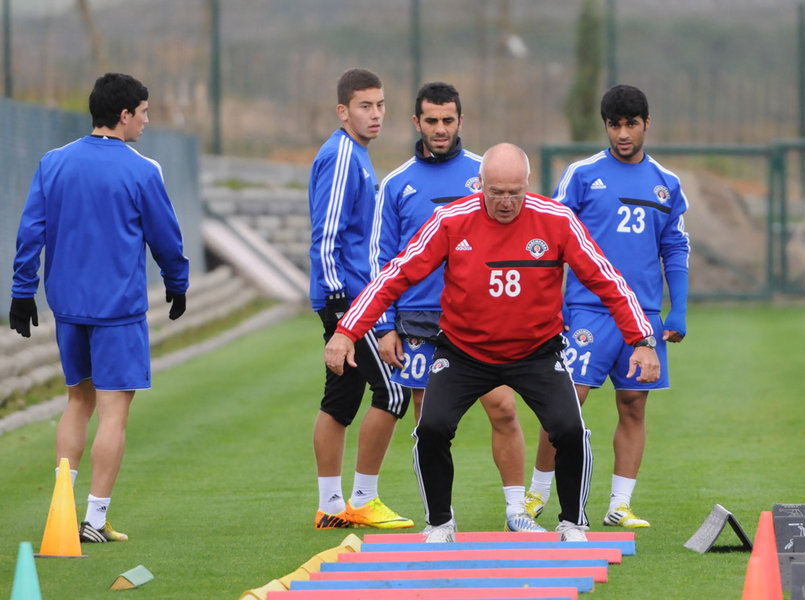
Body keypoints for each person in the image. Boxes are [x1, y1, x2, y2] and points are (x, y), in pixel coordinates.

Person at [325, 142, 660, 543]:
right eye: (495, 191)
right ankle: (440, 523)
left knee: (570, 428)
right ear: (479, 183)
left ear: (528, 183)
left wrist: (642, 339)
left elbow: (607, 280)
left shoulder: (557, 220)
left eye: (514, 192)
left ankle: (572, 523)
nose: (505, 202)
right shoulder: (450, 220)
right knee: (431, 427)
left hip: (536, 351)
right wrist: (347, 330)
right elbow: (395, 275)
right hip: (464, 351)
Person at [9, 72, 189, 543]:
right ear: (124, 114)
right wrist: (177, 283)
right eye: (144, 113)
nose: (147, 121)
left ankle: (62, 510)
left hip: (68, 308)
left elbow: (30, 232)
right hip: (119, 312)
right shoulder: (143, 170)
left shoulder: (53, 162)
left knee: (77, 401)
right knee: (113, 413)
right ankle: (93, 519)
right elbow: (166, 238)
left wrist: (22, 292)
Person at [370, 82, 536, 532]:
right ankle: (439, 519)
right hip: (420, 323)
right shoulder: (397, 184)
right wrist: (384, 326)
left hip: (482, 318)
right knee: (431, 426)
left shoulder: (488, 176)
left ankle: (517, 511)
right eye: (431, 120)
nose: (440, 128)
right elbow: (381, 261)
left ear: (461, 121)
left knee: (504, 409)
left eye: (448, 120)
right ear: (417, 122)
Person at [526, 84, 690, 529]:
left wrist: (677, 310)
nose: (622, 134)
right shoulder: (581, 175)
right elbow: (551, 241)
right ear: (606, 126)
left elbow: (674, 248)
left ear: (646, 124)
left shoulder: (666, 184)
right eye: (614, 125)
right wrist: (551, 307)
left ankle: (620, 505)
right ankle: (536, 494)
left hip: (644, 316)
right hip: (589, 310)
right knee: (566, 402)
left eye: (631, 124)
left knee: (633, 404)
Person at [308, 67, 412, 530]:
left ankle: (331, 508)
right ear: (343, 111)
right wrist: (339, 306)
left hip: (353, 296)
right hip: (350, 299)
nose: (375, 114)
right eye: (365, 106)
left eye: (380, 105)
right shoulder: (342, 156)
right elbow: (326, 235)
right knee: (393, 391)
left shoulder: (356, 154)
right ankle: (363, 499)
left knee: (340, 398)